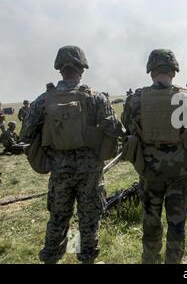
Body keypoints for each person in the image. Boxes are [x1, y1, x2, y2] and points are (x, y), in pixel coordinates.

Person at [21, 45, 123, 264]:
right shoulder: (95, 97)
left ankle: (50, 258)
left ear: (59, 69)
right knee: (89, 219)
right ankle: (87, 259)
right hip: (90, 172)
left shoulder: (43, 99)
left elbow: (26, 133)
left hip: (59, 171)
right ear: (82, 68)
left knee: (57, 219)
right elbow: (115, 129)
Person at [121, 49, 187, 264]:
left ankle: (150, 260)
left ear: (151, 72)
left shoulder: (135, 100)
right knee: (177, 224)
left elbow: (128, 126)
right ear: (174, 72)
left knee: (151, 222)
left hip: (150, 173)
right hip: (180, 172)